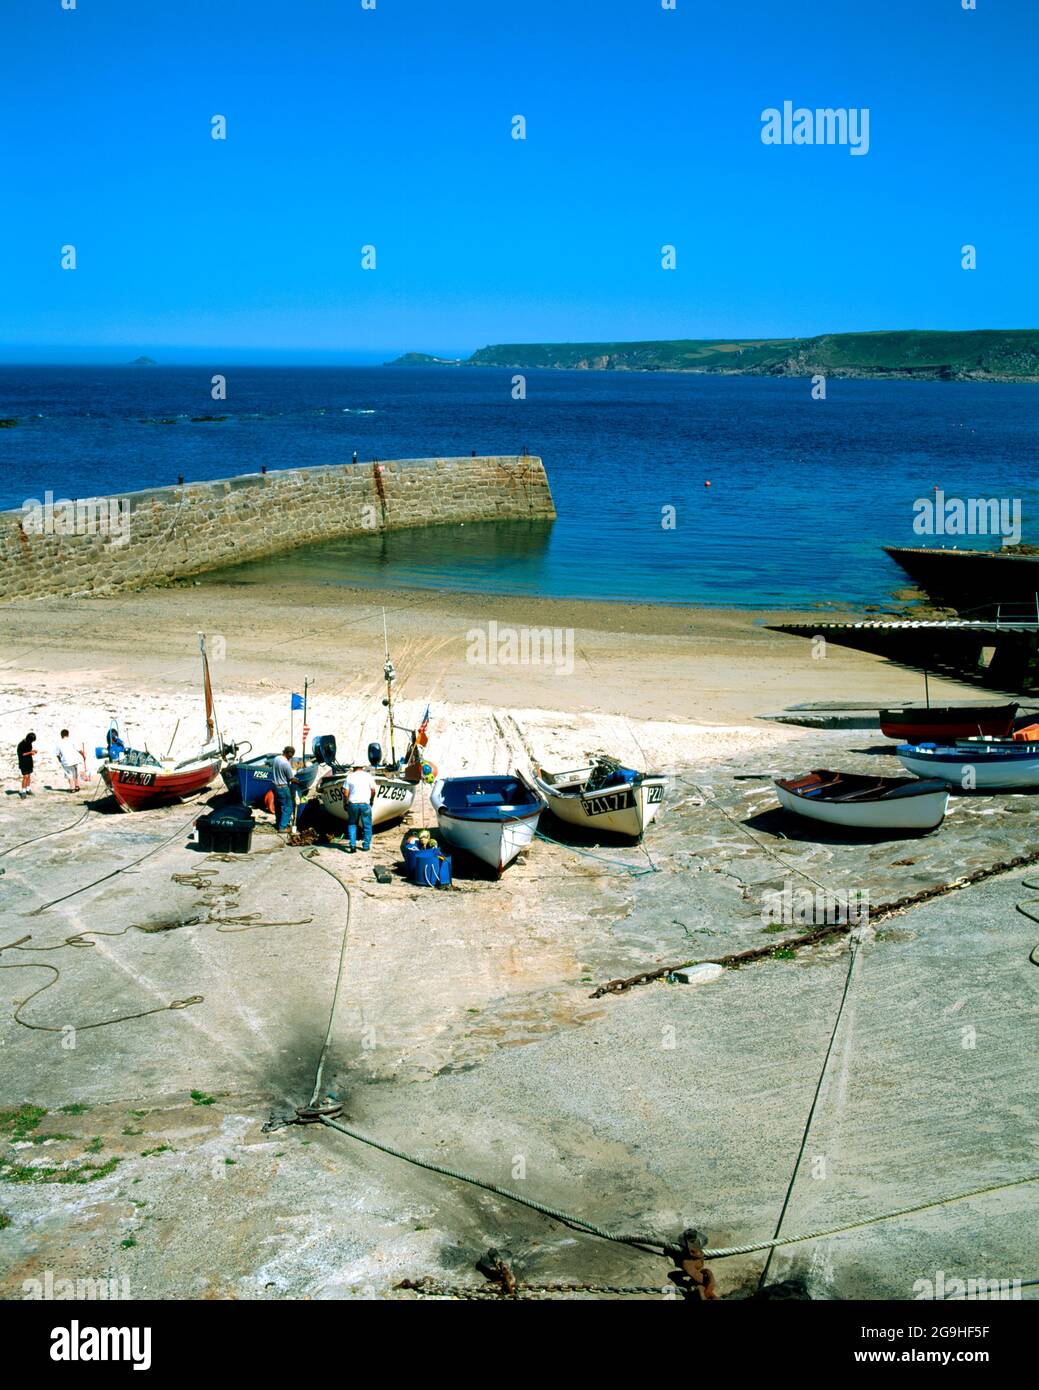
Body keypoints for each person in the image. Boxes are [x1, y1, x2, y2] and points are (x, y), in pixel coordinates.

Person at [344, 764, 377, 852]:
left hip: (353, 804)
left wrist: (345, 803)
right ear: (362, 767)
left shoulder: (349, 777)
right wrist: (371, 800)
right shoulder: (368, 776)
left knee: (352, 824)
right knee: (367, 825)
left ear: (353, 767)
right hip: (365, 804)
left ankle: (352, 845)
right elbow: (373, 790)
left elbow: (346, 793)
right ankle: (366, 846)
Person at [270, 746, 298, 832]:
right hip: (282, 787)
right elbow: (291, 778)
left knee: (278, 806)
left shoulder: (276, 758)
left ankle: (278, 823)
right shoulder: (286, 764)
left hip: (274, 786)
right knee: (288, 807)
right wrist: (298, 780)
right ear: (290, 755)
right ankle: (282, 827)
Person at [55, 729, 81, 793]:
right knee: (75, 773)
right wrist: (83, 755)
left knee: (69, 775)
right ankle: (77, 786)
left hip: (66, 761)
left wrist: (60, 760)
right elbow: (79, 750)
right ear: (68, 734)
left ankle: (72, 788)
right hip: (75, 760)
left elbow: (57, 754)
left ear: (61, 735)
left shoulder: (59, 743)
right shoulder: (72, 741)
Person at [16, 732, 37, 798]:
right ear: (29, 739)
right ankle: (23, 791)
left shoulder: (29, 743)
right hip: (23, 762)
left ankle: (28, 789)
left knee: (29, 776)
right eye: (32, 741)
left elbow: (28, 751)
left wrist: (32, 752)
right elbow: (22, 754)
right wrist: (30, 752)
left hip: (29, 761)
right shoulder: (21, 744)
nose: (32, 742)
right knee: (25, 776)